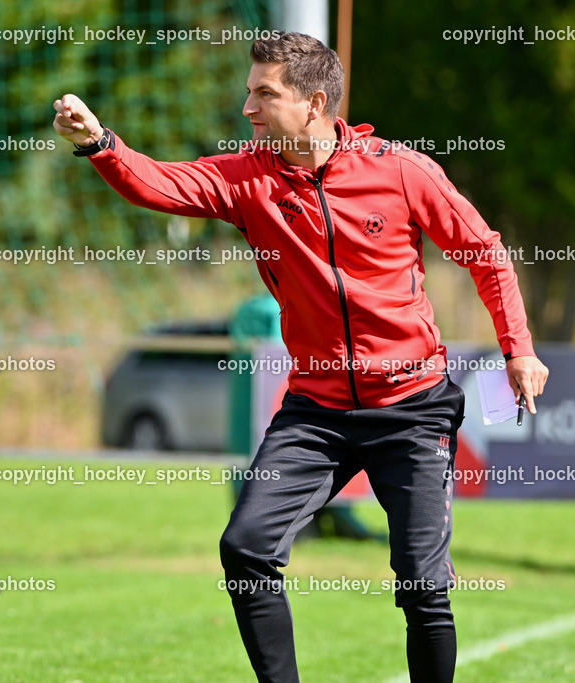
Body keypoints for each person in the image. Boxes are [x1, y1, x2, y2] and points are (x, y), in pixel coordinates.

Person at [54, 31, 548, 682]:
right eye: (248, 91)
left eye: (264, 93)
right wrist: (99, 143)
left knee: (422, 585)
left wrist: (519, 348)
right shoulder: (249, 178)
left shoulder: (401, 170)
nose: (247, 109)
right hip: (317, 411)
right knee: (246, 548)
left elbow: (484, 251)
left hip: (413, 407)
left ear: (315, 103)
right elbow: (160, 186)